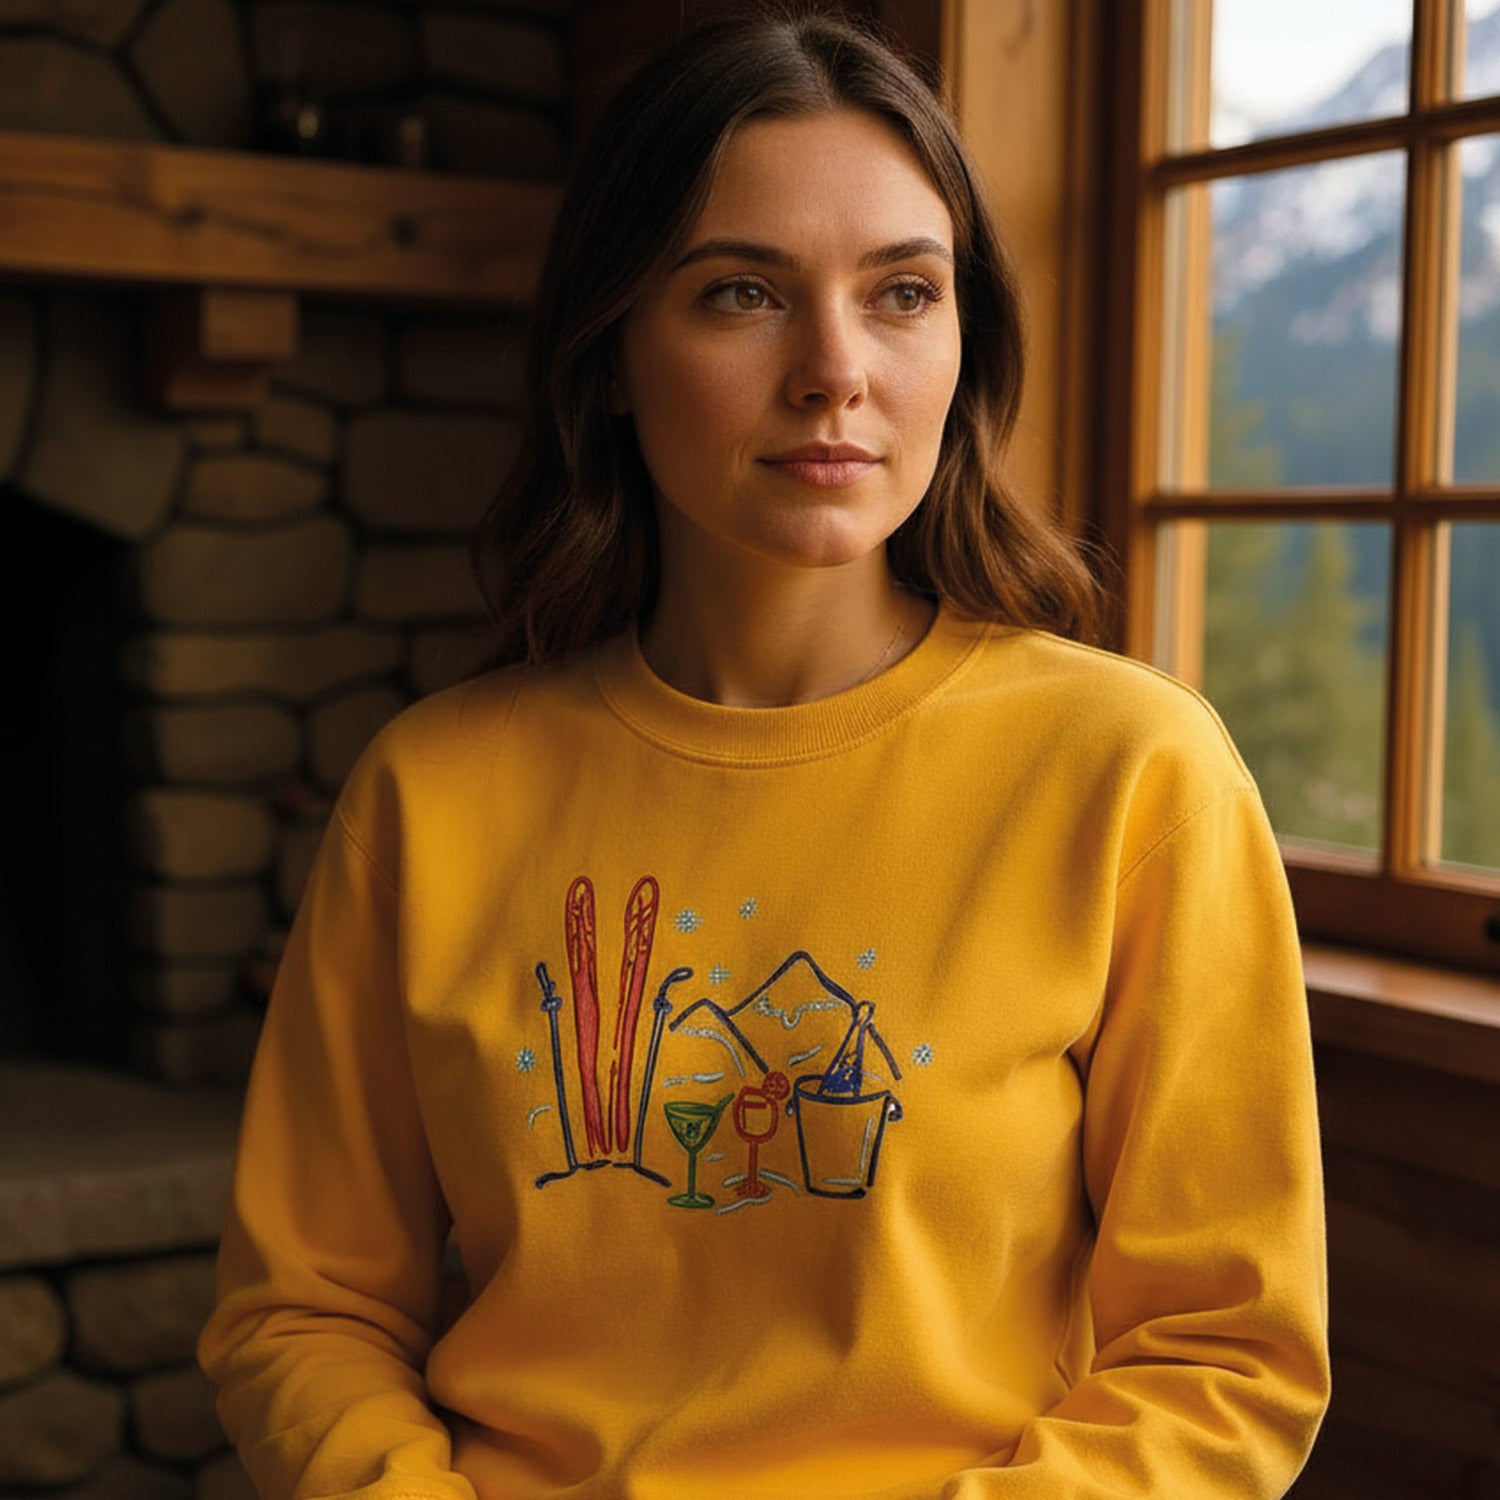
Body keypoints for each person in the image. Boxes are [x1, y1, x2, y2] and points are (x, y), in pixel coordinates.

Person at [199, 11, 1330, 1499]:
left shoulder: (1133, 775)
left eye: (904, 293)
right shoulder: (433, 792)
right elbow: (304, 1309)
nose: (834, 370)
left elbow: (1225, 1351)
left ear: (962, 342)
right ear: (609, 355)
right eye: (742, 293)